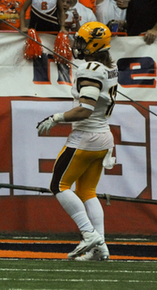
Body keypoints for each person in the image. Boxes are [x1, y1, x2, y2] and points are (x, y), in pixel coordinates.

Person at [36, 22, 117, 261]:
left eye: (81, 41)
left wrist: (56, 118)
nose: (76, 44)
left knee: (58, 185)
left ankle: (89, 234)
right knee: (87, 191)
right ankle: (100, 248)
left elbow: (85, 110)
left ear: (93, 44)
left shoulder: (90, 69)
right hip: (103, 137)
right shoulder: (108, 67)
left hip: (86, 137)